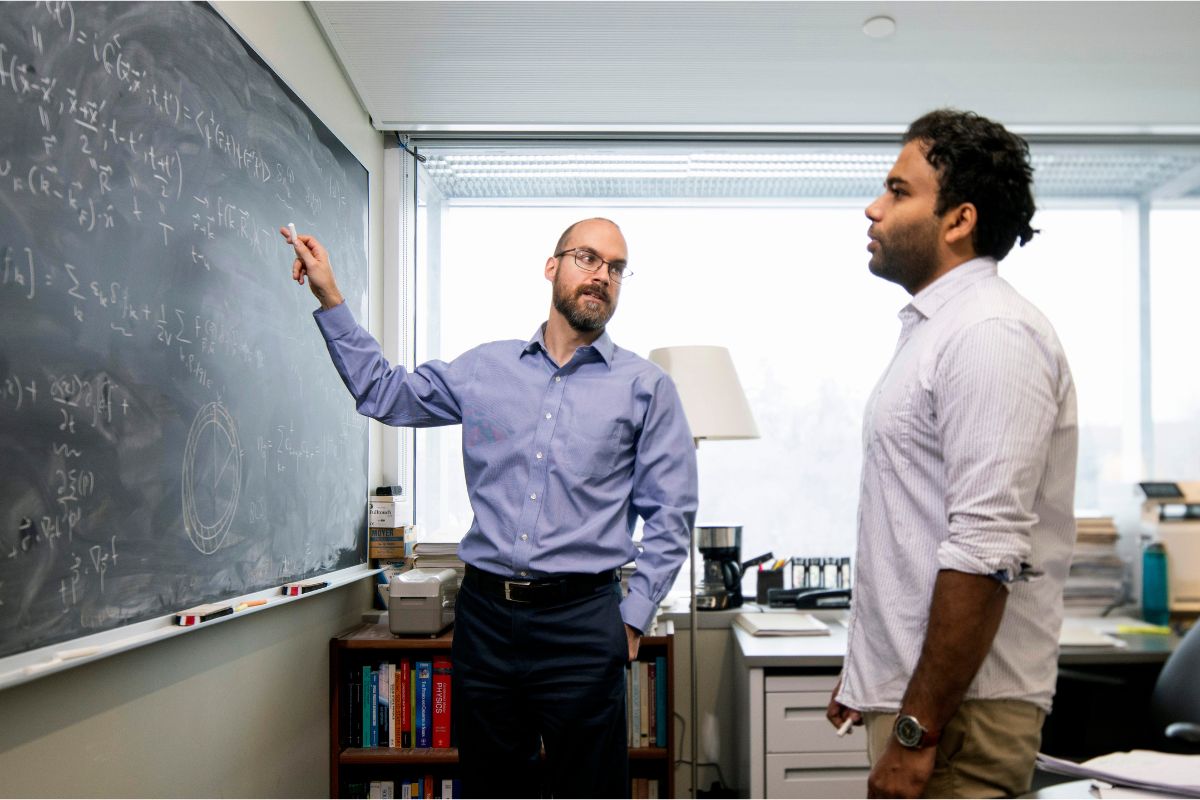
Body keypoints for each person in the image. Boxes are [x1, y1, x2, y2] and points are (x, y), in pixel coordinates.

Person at [281, 218, 698, 799]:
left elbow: (672, 514)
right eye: (587, 258)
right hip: (486, 620)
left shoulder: (646, 388)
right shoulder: (484, 369)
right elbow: (384, 392)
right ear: (552, 267)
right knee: (490, 788)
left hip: (583, 624)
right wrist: (330, 296)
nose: (601, 275)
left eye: (616, 267)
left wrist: (633, 617)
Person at [826, 109, 1078, 799]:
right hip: (928, 706)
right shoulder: (939, 332)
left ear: (958, 221)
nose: (874, 208)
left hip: (958, 720)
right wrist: (871, 677)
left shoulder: (991, 333)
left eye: (899, 191)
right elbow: (913, 524)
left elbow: (985, 549)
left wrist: (915, 729)